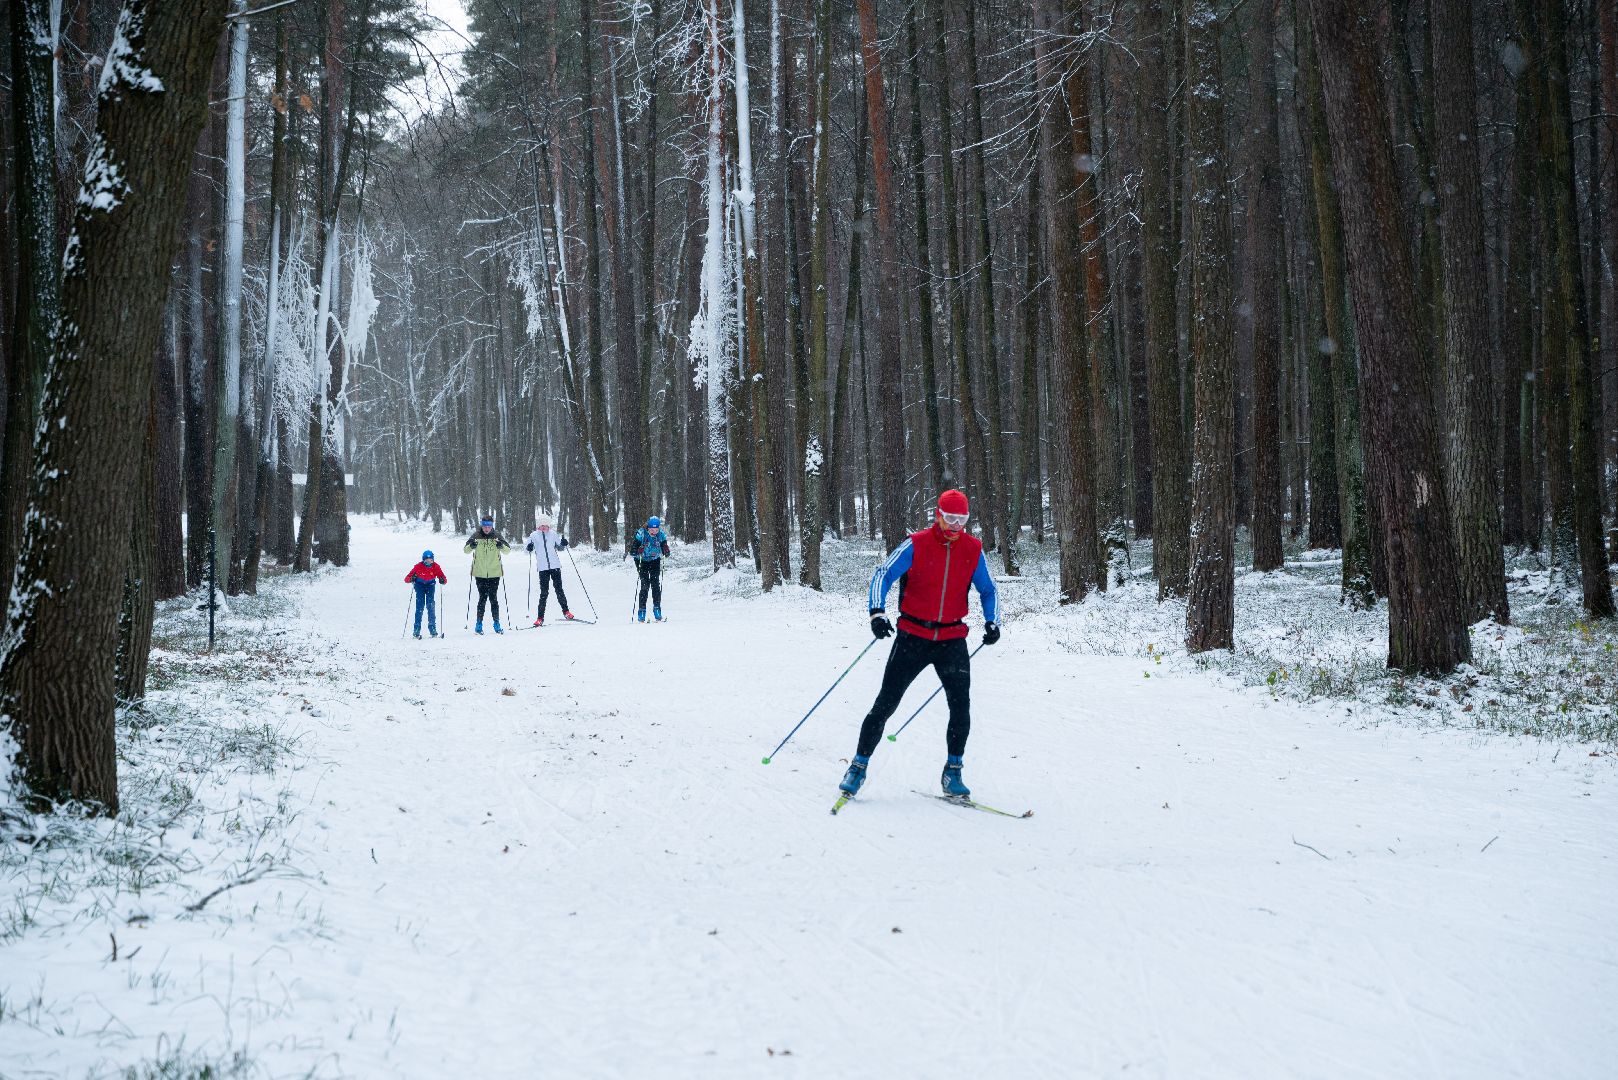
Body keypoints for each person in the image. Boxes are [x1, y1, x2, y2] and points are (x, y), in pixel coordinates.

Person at [839, 489, 1000, 799]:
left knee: (960, 706)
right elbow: (883, 574)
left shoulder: (973, 549)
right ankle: (858, 767)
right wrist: (877, 613)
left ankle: (953, 773)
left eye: (961, 519)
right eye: (950, 518)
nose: (955, 526)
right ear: (938, 515)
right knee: (885, 704)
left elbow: (988, 590)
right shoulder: (916, 544)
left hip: (952, 638)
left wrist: (993, 621)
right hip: (913, 635)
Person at [523, 514, 574, 626]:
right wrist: (529, 547)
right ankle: (540, 618)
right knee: (544, 593)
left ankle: (566, 612)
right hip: (543, 568)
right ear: (538, 526)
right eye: (541, 525)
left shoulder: (553, 534)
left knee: (559, 590)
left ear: (548, 526)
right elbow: (526, 550)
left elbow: (559, 547)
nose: (543, 527)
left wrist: (563, 544)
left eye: (545, 525)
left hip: (555, 566)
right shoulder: (533, 536)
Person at [464, 517, 512, 634]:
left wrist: (501, 545)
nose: (486, 528)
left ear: (491, 526)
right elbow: (465, 550)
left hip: (494, 573)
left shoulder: (496, 536)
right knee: (482, 598)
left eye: (488, 526)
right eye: (484, 526)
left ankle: (496, 623)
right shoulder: (476, 535)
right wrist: (472, 546)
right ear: (481, 525)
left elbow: (507, 550)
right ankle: (479, 624)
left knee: (493, 599)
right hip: (480, 573)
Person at [631, 515, 671, 622]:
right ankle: (641, 611)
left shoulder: (661, 535)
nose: (654, 531)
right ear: (648, 527)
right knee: (645, 585)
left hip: (654, 560)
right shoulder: (641, 534)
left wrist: (666, 550)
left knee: (655, 584)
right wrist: (637, 550)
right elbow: (633, 550)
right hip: (642, 561)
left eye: (656, 529)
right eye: (652, 529)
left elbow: (664, 545)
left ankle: (657, 609)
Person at [405, 550, 447, 639]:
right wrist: (412, 578)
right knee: (420, 607)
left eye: (431, 560)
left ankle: (432, 629)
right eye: (426, 560)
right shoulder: (418, 566)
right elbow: (406, 579)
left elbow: (443, 577)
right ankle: (416, 630)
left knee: (430, 605)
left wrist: (442, 580)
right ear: (423, 560)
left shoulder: (436, 567)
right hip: (419, 586)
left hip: (430, 585)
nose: (428, 562)